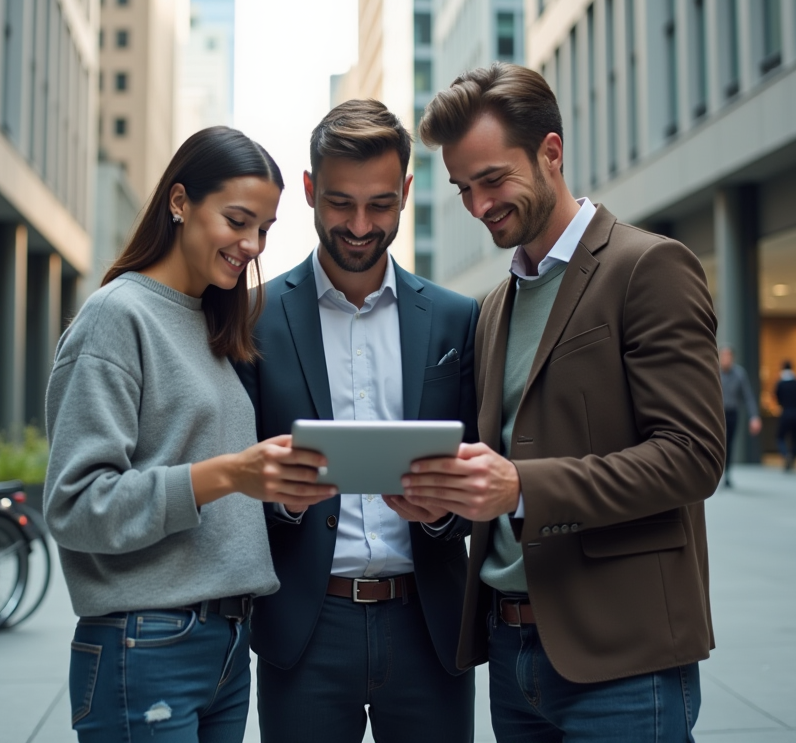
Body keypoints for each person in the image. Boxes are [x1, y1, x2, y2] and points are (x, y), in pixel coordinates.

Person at [404, 63, 725, 741]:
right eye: (464, 188)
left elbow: (692, 458)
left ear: (551, 152)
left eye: (492, 180)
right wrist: (450, 501)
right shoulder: (494, 307)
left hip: (623, 657)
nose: (479, 205)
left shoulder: (649, 268)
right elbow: (505, 467)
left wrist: (520, 486)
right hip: (512, 652)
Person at [43, 127, 337, 743]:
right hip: (145, 643)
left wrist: (275, 490)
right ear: (179, 202)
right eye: (237, 220)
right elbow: (75, 507)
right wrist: (227, 474)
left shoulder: (212, 324)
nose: (252, 244)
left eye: (265, 228)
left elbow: (200, 481)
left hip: (225, 643)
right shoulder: (117, 318)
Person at [235, 100, 478, 743]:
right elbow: (229, 474)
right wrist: (283, 502)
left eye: (380, 204)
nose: (361, 225)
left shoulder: (457, 319)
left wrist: (444, 511)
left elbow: (485, 466)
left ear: (405, 192)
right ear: (311, 190)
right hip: (306, 630)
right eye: (341, 203)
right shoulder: (253, 318)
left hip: (427, 626)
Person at [719, 346, 761, 488]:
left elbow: (748, 396)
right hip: (717, 414)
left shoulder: (739, 374)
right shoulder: (714, 372)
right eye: (723, 356)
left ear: (732, 358)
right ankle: (716, 473)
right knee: (718, 443)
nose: (725, 359)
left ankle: (727, 473)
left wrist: (754, 416)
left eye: (728, 356)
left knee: (729, 444)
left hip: (732, 413)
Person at [774, 360, 796, 472]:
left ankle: (785, 453)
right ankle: (793, 457)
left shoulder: (780, 383)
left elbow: (777, 397)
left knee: (780, 437)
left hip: (786, 413)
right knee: (795, 438)